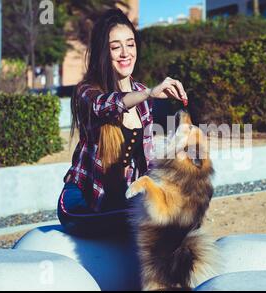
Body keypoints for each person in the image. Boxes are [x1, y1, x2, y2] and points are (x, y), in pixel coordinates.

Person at [57, 9, 188, 237]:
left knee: (180, 219)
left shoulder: (142, 95)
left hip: (122, 199)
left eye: (130, 44)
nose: (125, 53)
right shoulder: (87, 91)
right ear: (102, 52)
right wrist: (149, 93)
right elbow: (104, 105)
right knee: (128, 221)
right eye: (115, 47)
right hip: (85, 200)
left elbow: (147, 162)